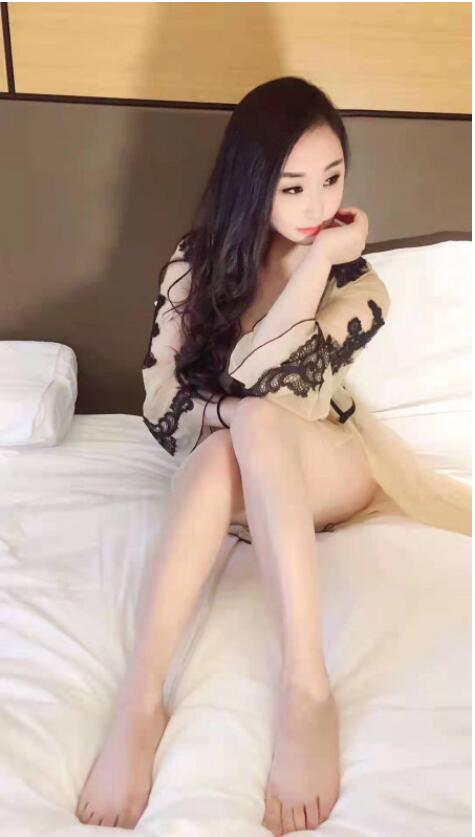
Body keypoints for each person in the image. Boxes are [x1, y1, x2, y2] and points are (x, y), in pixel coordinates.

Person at [75, 76, 471, 835]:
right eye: (292, 187)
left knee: (255, 421)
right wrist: (226, 414)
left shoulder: (360, 286)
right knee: (229, 446)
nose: (317, 204)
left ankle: (305, 686)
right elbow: (160, 406)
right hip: (230, 468)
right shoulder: (195, 263)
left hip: (331, 462)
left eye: (332, 179)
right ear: (252, 184)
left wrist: (317, 264)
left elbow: (262, 379)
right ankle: (140, 698)